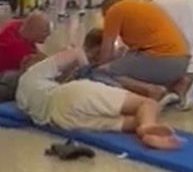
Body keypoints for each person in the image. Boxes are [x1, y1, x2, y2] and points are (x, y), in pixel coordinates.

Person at [17, 46, 179, 150]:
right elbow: (75, 52)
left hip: (61, 120)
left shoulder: (21, 94)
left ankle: (146, 131)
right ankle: (147, 127)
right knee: (147, 103)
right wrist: (87, 72)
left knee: (128, 120)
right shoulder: (34, 72)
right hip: (69, 95)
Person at [90, 0, 192, 104]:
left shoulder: (115, 9)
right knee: (130, 71)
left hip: (161, 60)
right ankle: (177, 84)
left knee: (103, 73)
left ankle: (152, 90)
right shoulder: (146, 5)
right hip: (182, 61)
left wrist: (101, 66)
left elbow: (107, 48)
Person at [0, 11, 51, 75]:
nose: (48, 34)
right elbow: (44, 69)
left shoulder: (17, 27)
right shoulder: (18, 50)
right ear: (33, 31)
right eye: (45, 31)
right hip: (6, 81)